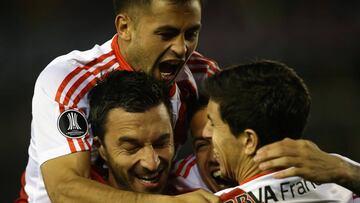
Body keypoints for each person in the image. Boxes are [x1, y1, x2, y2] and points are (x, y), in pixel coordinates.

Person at [18, 0, 221, 202]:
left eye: (191, 34)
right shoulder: (71, 81)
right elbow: (64, 191)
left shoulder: (200, 75)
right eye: (166, 34)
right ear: (124, 27)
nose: (181, 49)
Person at [204, 60, 359, 202]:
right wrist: (345, 170)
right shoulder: (343, 178)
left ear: (249, 140)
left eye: (213, 123)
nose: (206, 133)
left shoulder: (219, 201)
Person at [171, 97, 235, 193]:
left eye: (224, 140)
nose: (214, 157)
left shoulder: (264, 159)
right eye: (202, 145)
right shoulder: (179, 184)